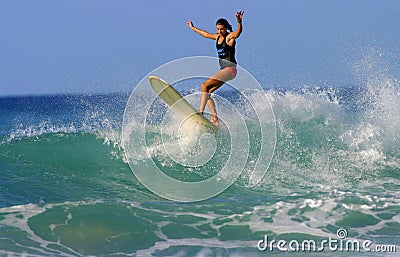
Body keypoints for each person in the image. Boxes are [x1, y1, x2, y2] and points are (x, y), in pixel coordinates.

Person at [187, 10, 244, 126]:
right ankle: (215, 118)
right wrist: (193, 28)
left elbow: (238, 33)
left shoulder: (229, 38)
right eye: (218, 29)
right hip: (225, 71)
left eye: (222, 29)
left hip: (230, 69)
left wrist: (239, 22)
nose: (219, 31)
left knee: (204, 86)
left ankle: (200, 111)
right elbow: (205, 34)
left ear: (226, 27)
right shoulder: (217, 37)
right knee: (207, 93)